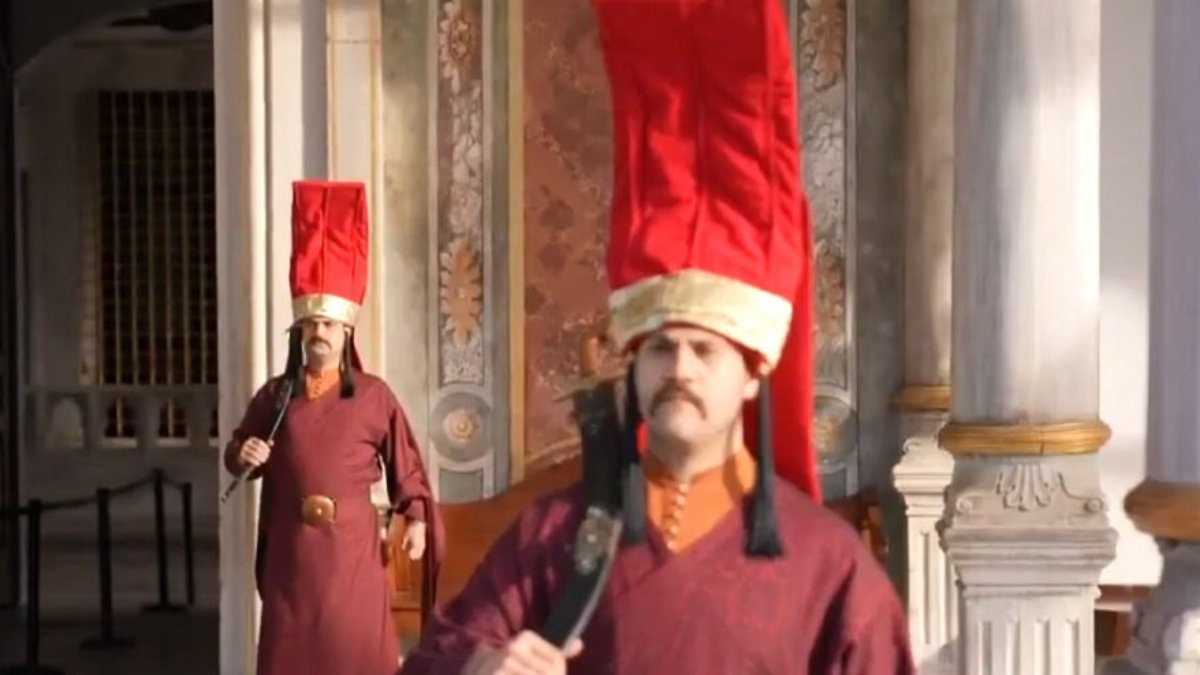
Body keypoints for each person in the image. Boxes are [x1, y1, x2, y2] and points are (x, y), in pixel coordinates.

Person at [399, 0, 914, 673]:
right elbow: (434, 659)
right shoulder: (558, 537)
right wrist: (486, 666)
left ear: (754, 372)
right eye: (662, 347)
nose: (681, 368)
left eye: (706, 349)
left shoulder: (832, 567)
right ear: (632, 365)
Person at [224, 180, 443, 675]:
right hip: (292, 557)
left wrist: (417, 518)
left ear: (346, 331)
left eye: (327, 324)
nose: (318, 333)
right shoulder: (276, 396)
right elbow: (238, 451)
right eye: (310, 325)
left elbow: (406, 464)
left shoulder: (374, 396)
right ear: (299, 332)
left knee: (353, 654)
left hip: (351, 555)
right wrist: (244, 454)